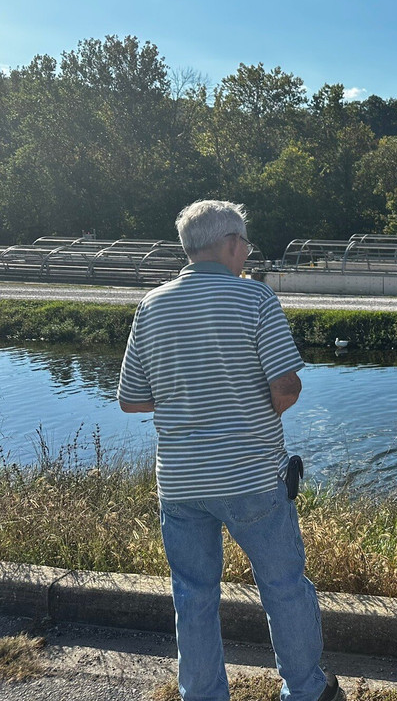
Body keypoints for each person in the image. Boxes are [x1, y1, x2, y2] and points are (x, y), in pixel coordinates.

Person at [117, 200, 344, 701]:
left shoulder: (151, 305)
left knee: (193, 595)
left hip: (180, 483)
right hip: (253, 479)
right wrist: (242, 411)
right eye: (245, 242)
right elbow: (286, 387)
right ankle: (307, 690)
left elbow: (131, 399)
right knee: (283, 587)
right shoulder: (255, 300)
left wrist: (186, 401)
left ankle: (201, 694)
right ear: (228, 244)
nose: (247, 251)